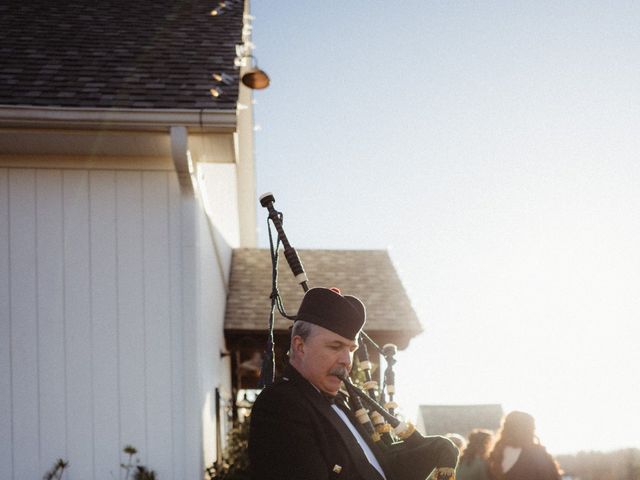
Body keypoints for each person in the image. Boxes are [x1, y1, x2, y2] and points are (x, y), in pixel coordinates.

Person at [249, 287, 459, 480]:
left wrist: (431, 452)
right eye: (335, 346)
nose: (347, 361)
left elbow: (378, 471)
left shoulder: (341, 403)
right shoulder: (280, 405)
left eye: (351, 349)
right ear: (300, 346)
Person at [487, 411, 560, 480]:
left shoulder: (493, 456)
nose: (534, 430)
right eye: (533, 428)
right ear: (529, 430)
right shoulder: (538, 454)